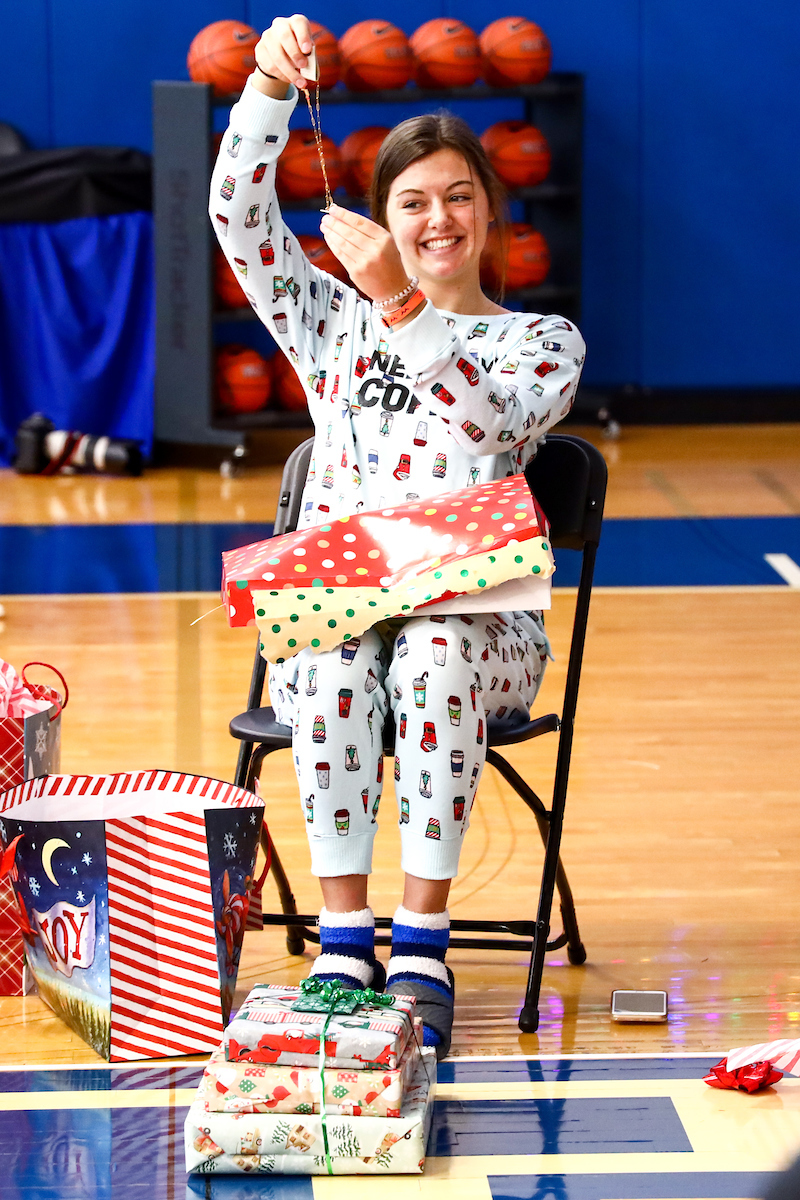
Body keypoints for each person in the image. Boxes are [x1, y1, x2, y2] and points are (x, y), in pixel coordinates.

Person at [211, 14, 586, 1058]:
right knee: (333, 665)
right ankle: (342, 937)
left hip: (478, 629)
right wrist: (267, 87)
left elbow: (488, 425)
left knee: (428, 654)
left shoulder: (535, 341)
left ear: (488, 214)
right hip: (341, 605)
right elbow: (237, 219)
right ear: (374, 218)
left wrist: (400, 303)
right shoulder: (328, 322)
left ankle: (420, 937)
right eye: (411, 202)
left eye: (458, 195)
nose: (436, 218)